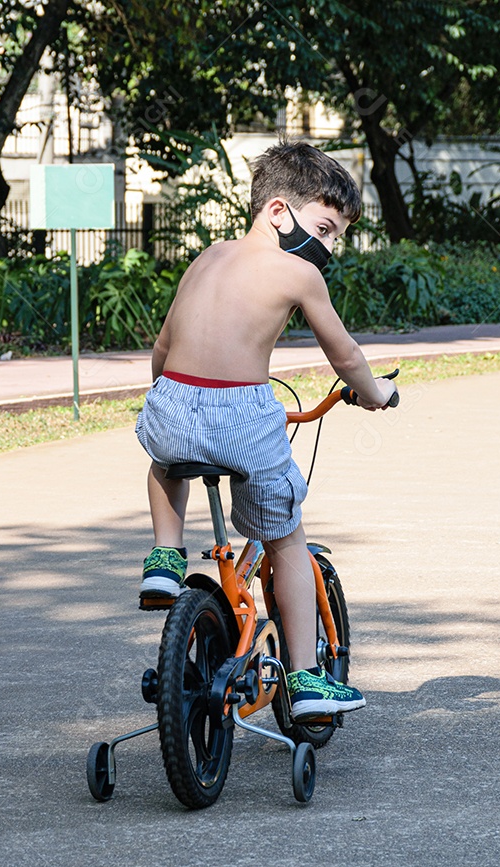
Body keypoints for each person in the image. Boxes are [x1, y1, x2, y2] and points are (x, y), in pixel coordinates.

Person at [135, 140, 396, 719]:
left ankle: (164, 558)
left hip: (172, 403)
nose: (327, 247)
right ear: (278, 212)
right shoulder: (298, 274)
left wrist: (165, 392)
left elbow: (162, 345)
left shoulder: (206, 256)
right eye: (326, 229)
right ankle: (305, 679)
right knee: (286, 539)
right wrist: (376, 393)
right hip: (243, 417)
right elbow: (346, 355)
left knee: (164, 462)